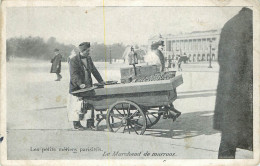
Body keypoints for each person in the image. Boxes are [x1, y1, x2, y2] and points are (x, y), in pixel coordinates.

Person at [214, 7, 253, 159]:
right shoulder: (251, 23)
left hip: (231, 100)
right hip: (244, 100)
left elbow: (222, 61)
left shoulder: (231, 24)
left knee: (227, 145)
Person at [68, 42, 105, 130]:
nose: (89, 52)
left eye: (89, 50)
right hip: (77, 87)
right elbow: (74, 74)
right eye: (87, 51)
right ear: (83, 51)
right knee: (78, 105)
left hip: (88, 85)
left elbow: (94, 70)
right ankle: (76, 125)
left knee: (90, 104)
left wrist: (101, 80)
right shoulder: (73, 60)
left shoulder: (88, 58)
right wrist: (80, 84)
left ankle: (90, 124)